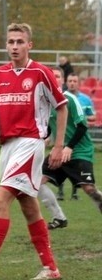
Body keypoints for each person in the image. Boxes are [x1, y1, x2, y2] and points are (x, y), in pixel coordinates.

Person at [0, 23, 67, 280]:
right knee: (29, 207)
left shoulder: (41, 73)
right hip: (7, 147)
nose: (15, 46)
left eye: (20, 41)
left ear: (29, 45)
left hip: (30, 143)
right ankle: (50, 267)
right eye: (11, 42)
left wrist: (58, 145)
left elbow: (61, 108)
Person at [38, 67, 102, 229]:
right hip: (60, 152)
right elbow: (51, 126)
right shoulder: (46, 102)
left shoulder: (69, 99)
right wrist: (46, 140)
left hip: (79, 151)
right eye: (51, 76)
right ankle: (59, 218)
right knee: (37, 182)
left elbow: (82, 127)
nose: (54, 78)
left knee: (89, 189)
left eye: (57, 76)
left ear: (62, 80)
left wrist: (69, 147)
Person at [56, 72, 96, 200]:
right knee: (60, 166)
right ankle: (60, 192)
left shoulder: (84, 99)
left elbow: (93, 116)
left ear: (78, 83)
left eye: (74, 81)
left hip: (80, 139)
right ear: (66, 82)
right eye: (70, 81)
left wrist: (83, 117)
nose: (72, 83)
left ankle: (74, 192)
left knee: (77, 171)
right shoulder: (60, 98)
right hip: (65, 140)